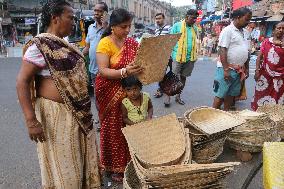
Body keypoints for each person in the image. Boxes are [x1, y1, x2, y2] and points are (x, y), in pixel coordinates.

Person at [16, 1, 101, 188]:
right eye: (70, 17)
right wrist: (31, 121)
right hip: (55, 116)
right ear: (55, 18)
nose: (73, 22)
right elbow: (22, 82)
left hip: (78, 115)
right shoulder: (39, 46)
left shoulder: (65, 45)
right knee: (64, 168)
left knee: (76, 163)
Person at [95, 8, 143, 182]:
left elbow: (139, 62)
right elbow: (103, 71)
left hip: (129, 89)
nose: (127, 30)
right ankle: (112, 166)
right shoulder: (105, 43)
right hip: (108, 89)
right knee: (113, 128)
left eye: (129, 26)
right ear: (113, 27)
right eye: (124, 27)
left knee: (129, 124)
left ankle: (130, 162)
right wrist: (124, 71)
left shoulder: (132, 43)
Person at [212, 7, 252, 111]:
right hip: (226, 69)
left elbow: (247, 51)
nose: (248, 22)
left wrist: (246, 68)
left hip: (239, 70)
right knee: (220, 95)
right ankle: (211, 117)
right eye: (246, 19)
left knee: (231, 95)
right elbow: (222, 50)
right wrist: (226, 70)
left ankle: (225, 117)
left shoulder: (246, 32)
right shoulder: (227, 31)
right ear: (238, 17)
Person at [164, 9, 199, 107]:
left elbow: (195, 42)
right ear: (186, 17)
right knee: (173, 77)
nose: (194, 20)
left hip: (190, 58)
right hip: (177, 57)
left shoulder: (194, 28)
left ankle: (178, 96)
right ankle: (167, 96)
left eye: (195, 19)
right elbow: (170, 40)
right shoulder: (177, 26)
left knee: (183, 78)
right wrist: (169, 54)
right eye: (192, 18)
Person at [82, 2, 109, 128]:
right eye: (95, 11)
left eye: (99, 11)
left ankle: (107, 119)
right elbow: (87, 47)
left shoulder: (110, 28)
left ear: (105, 13)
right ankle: (101, 118)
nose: (95, 13)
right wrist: (78, 55)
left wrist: (105, 27)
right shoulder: (90, 28)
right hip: (93, 70)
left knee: (107, 96)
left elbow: (110, 42)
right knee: (97, 97)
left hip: (107, 70)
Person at [251, 21, 284, 111]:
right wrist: (257, 71)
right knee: (261, 95)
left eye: (283, 28)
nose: (281, 30)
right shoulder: (266, 42)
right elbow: (259, 57)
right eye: (279, 28)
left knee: (278, 98)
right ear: (273, 30)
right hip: (265, 75)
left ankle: (274, 118)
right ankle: (260, 116)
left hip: (281, 77)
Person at [153, 12, 171, 98]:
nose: (158, 20)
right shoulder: (156, 30)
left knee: (172, 73)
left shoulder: (168, 28)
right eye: (156, 19)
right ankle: (160, 89)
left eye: (159, 18)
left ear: (163, 19)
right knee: (160, 73)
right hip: (159, 56)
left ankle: (169, 90)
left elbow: (171, 40)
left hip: (168, 55)